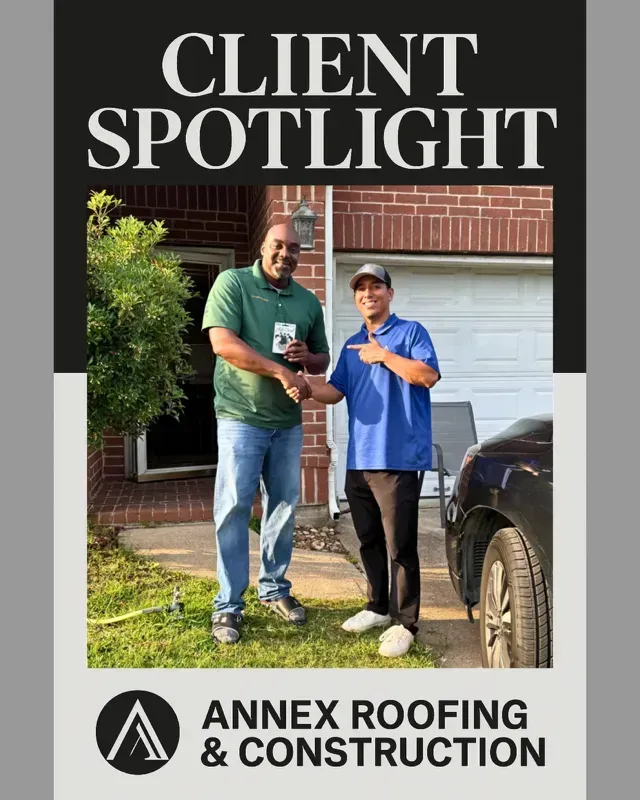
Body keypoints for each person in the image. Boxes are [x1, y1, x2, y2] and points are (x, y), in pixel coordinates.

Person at [287, 264, 441, 658]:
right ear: (355, 299)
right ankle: (376, 607)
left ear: (390, 294)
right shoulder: (354, 345)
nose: (367, 293)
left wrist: (385, 356)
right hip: (360, 458)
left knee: (400, 546)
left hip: (399, 459)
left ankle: (405, 622)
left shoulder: (411, 333)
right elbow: (336, 391)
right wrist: (304, 386)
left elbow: (427, 376)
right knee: (369, 539)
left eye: (376, 286)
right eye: (360, 289)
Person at [201, 222, 330, 644]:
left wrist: (305, 356)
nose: (286, 254)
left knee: (282, 508)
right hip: (240, 416)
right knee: (235, 507)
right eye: (279, 245)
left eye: (294, 248)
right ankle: (228, 604)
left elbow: (320, 361)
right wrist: (279, 369)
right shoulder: (233, 283)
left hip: (287, 423)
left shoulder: (308, 301)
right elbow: (223, 343)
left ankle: (274, 589)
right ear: (264, 246)